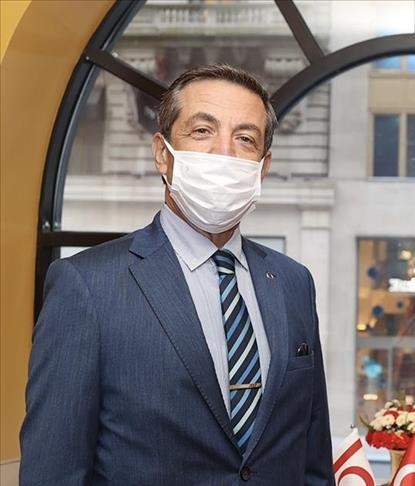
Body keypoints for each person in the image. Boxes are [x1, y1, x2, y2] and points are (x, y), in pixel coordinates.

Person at [20, 64, 334, 485]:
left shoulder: (294, 283)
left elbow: (313, 460)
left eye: (245, 139)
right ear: (162, 154)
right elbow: (53, 471)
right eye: (202, 131)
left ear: (263, 167)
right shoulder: (87, 287)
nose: (224, 154)